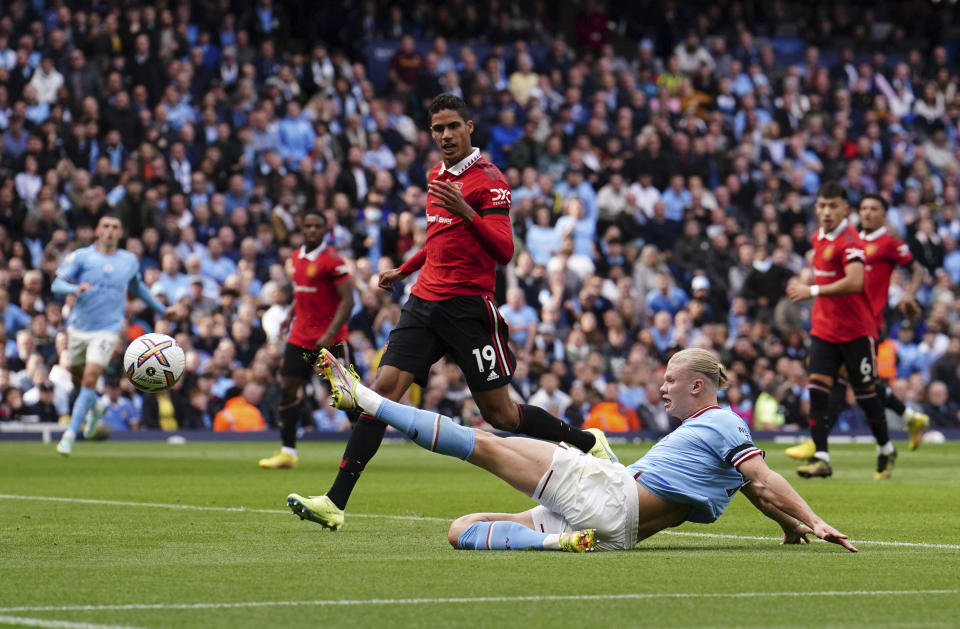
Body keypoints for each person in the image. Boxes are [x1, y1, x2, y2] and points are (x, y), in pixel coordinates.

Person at [286, 94, 616, 530]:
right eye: (437, 129)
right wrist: (404, 270)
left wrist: (466, 209)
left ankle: (587, 439)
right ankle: (335, 502)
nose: (445, 136)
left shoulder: (490, 181)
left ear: (469, 127)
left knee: (500, 415)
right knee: (380, 396)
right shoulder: (436, 176)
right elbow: (439, 238)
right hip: (423, 302)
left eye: (452, 127)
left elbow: (504, 249)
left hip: (467, 309)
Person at [290, 348, 857, 554]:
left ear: (699, 386)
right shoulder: (721, 438)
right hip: (613, 529)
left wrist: (814, 518)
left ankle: (363, 395)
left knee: (486, 444)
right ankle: (556, 542)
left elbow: (764, 478)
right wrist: (788, 530)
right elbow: (752, 486)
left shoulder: (723, 423)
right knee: (460, 530)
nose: (661, 388)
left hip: (612, 496)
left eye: (670, 380)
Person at [786, 193, 929, 461]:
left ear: (884, 214)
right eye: (864, 208)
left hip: (868, 321)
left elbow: (917, 270)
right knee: (853, 382)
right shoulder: (847, 237)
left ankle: (821, 444)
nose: (867, 213)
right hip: (840, 323)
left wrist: (909, 294)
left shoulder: (888, 243)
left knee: (852, 384)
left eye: (874, 209)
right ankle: (904, 423)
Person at [52, 215, 178, 456]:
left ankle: (69, 435)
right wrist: (73, 288)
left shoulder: (128, 260)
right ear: (98, 230)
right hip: (78, 328)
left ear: (121, 233)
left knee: (89, 379)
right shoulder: (81, 257)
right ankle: (97, 408)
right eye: (106, 226)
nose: (110, 231)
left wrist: (162, 310)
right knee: (80, 383)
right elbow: (56, 285)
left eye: (115, 227)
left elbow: (137, 287)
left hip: (107, 330)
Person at [258, 209, 355, 469]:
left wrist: (328, 334)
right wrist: (290, 315)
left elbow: (348, 301)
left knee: (347, 396)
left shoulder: (333, 261)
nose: (312, 230)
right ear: (302, 229)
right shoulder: (295, 258)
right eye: (308, 226)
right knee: (288, 388)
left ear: (324, 231)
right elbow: (302, 295)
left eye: (317, 226)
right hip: (301, 337)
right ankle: (288, 452)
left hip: (330, 340)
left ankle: (361, 449)